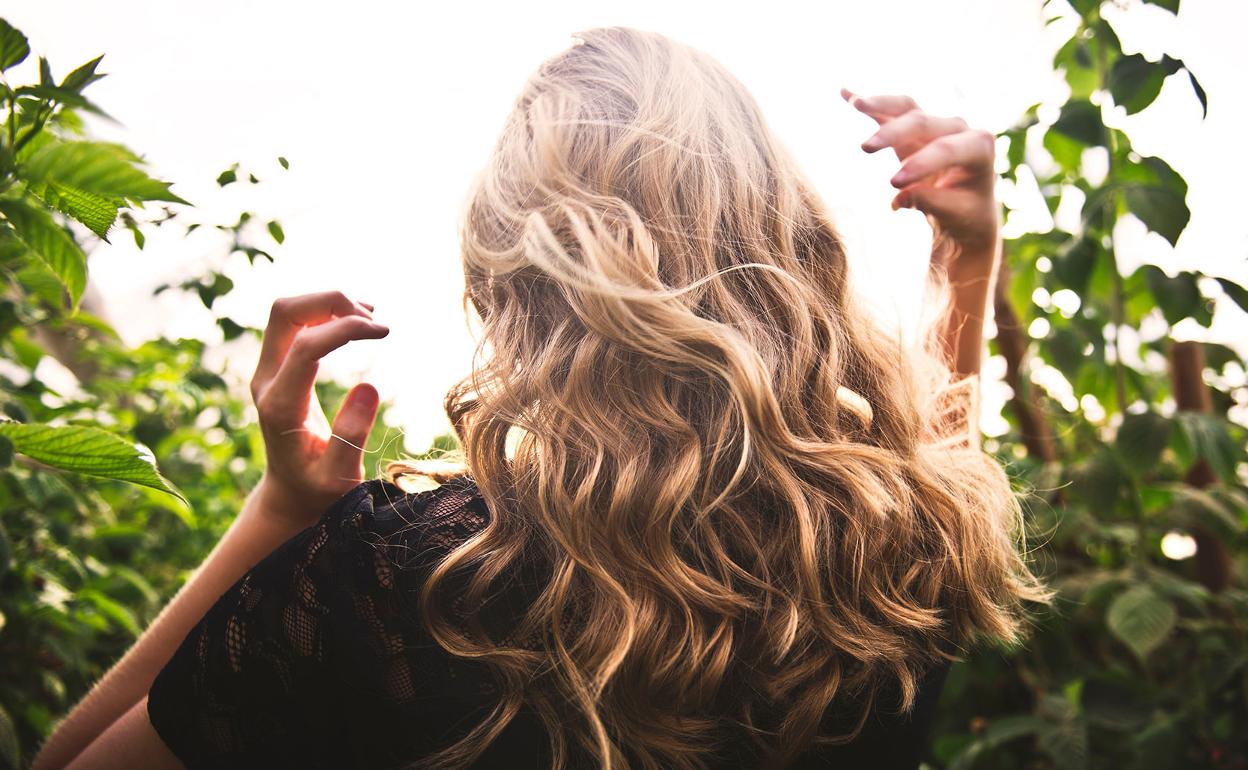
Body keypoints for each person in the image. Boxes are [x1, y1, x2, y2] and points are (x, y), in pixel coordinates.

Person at [33, 26, 1050, 770]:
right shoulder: (902, 547)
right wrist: (967, 257)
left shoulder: (401, 581)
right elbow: (932, 456)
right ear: (780, 235)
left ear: (511, 278)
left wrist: (282, 514)